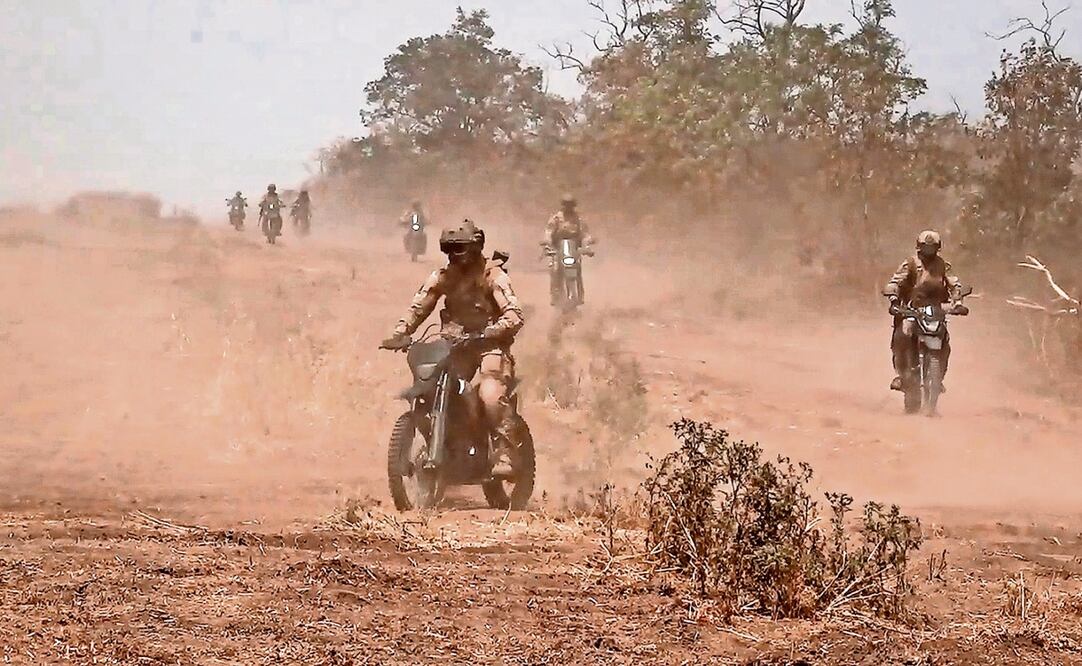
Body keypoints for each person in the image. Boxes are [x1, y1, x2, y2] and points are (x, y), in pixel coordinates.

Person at [381, 220, 524, 471]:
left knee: (489, 395)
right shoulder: (443, 276)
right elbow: (419, 307)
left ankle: (505, 454)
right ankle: (446, 444)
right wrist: (399, 333)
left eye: (460, 250)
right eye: (449, 250)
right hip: (453, 346)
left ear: (476, 247)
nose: (454, 257)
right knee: (430, 386)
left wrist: (490, 331)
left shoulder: (493, 276)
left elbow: (514, 315)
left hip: (488, 346)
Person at [883, 230, 964, 391]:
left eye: (932, 247)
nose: (929, 250)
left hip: (936, 310)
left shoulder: (943, 266)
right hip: (911, 309)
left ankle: (938, 377)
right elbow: (895, 282)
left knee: (945, 341)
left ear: (938, 247)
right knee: (903, 335)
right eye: (926, 247)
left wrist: (958, 301)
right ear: (919, 247)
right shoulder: (911, 264)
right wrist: (893, 298)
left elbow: (955, 284)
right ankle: (901, 375)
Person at [543, 194, 594, 304]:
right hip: (558, 250)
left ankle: (580, 295)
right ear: (563, 206)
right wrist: (547, 244)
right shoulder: (556, 218)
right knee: (555, 269)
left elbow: (585, 234)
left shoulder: (578, 219)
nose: (568, 208)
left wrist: (587, 246)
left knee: (577, 270)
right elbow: (549, 232)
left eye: (570, 205)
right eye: (566, 205)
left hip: (573, 250)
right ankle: (555, 296)